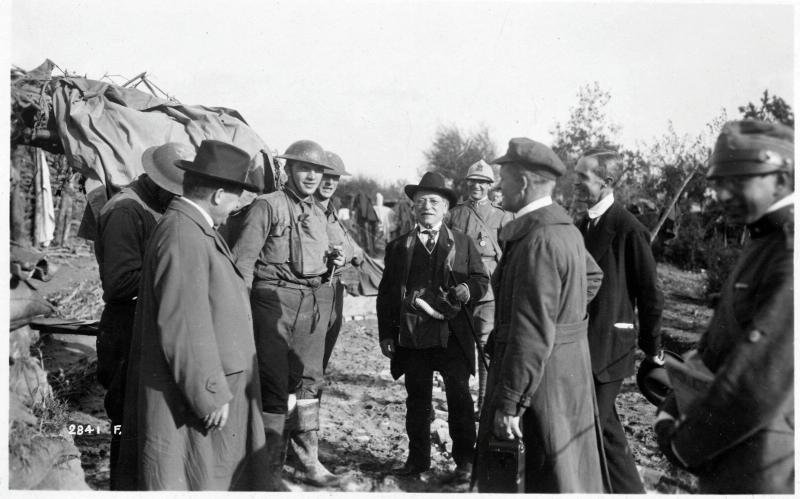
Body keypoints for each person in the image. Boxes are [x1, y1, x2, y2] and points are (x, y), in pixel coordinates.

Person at [117, 139, 270, 490]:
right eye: (236, 197)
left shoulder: (192, 229)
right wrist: (208, 392)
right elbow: (184, 322)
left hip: (206, 386)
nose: (235, 207)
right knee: (192, 478)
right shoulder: (184, 235)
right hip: (196, 396)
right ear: (218, 195)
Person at [654, 120, 794, 494]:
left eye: (737, 181)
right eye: (717, 184)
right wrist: (672, 403)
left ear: (780, 180)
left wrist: (685, 445)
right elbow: (717, 343)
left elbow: (759, 379)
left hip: (764, 465)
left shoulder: (788, 252)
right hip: (734, 455)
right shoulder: (763, 239)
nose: (722, 195)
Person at [476, 138, 606, 493]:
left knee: (537, 478)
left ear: (522, 182)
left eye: (503, 178)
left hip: (537, 384)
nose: (499, 186)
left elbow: (531, 331)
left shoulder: (539, 241)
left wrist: (509, 403)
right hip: (561, 372)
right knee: (565, 473)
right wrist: (565, 322)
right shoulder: (564, 230)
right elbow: (592, 276)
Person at [224, 139, 344, 488]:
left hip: (311, 302)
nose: (311, 176)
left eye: (317, 170)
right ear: (288, 169)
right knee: (275, 386)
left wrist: (330, 264)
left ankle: (308, 460)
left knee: (309, 383)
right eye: (304, 168)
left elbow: (327, 259)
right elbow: (243, 265)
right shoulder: (267, 206)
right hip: (271, 301)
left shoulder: (320, 213)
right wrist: (239, 318)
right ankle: (269, 472)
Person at [377, 171, 488, 481]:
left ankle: (465, 461)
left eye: (434, 201)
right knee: (417, 400)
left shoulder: (463, 243)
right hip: (412, 336)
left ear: (446, 209)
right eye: (421, 201)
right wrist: (386, 333)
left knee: (459, 398)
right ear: (413, 207)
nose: (427, 206)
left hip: (452, 334)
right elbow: (386, 293)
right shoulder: (399, 246)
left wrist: (467, 289)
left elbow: (481, 279)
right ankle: (417, 460)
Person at [94, 142, 192, 489]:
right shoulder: (126, 211)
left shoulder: (156, 205)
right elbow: (120, 283)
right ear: (155, 180)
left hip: (147, 322)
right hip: (126, 326)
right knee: (127, 422)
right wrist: (177, 273)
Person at [573, 149, 664, 493]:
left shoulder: (629, 228)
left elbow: (651, 294)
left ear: (606, 181)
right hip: (580, 344)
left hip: (611, 347)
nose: (577, 183)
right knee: (603, 426)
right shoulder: (581, 226)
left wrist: (652, 347)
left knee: (592, 423)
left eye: (583, 176)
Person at [445, 159, 513, 415]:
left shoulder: (502, 216)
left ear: (490, 186)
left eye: (483, 183)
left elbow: (508, 255)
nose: (478, 187)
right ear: (467, 184)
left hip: (489, 291)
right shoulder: (454, 213)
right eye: (473, 182)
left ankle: (484, 402)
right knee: (460, 347)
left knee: (486, 346)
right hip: (460, 288)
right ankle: (461, 401)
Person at [316, 151, 365, 372]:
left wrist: (352, 252)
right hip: (315, 289)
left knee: (322, 359)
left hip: (334, 289)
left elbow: (348, 244)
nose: (329, 182)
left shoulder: (330, 210)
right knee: (308, 361)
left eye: (335, 177)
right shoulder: (307, 209)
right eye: (325, 175)